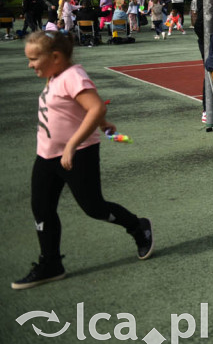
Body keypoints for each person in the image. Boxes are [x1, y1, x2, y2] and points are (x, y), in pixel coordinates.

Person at [13, 31, 153, 290]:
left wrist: (73, 145)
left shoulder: (72, 76)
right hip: (46, 156)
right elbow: (81, 110)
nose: (30, 64)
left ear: (55, 57)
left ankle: (138, 226)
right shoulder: (53, 76)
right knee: (42, 209)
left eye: (34, 59)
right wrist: (103, 125)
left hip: (78, 155)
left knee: (94, 207)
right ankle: (51, 263)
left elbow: (96, 106)